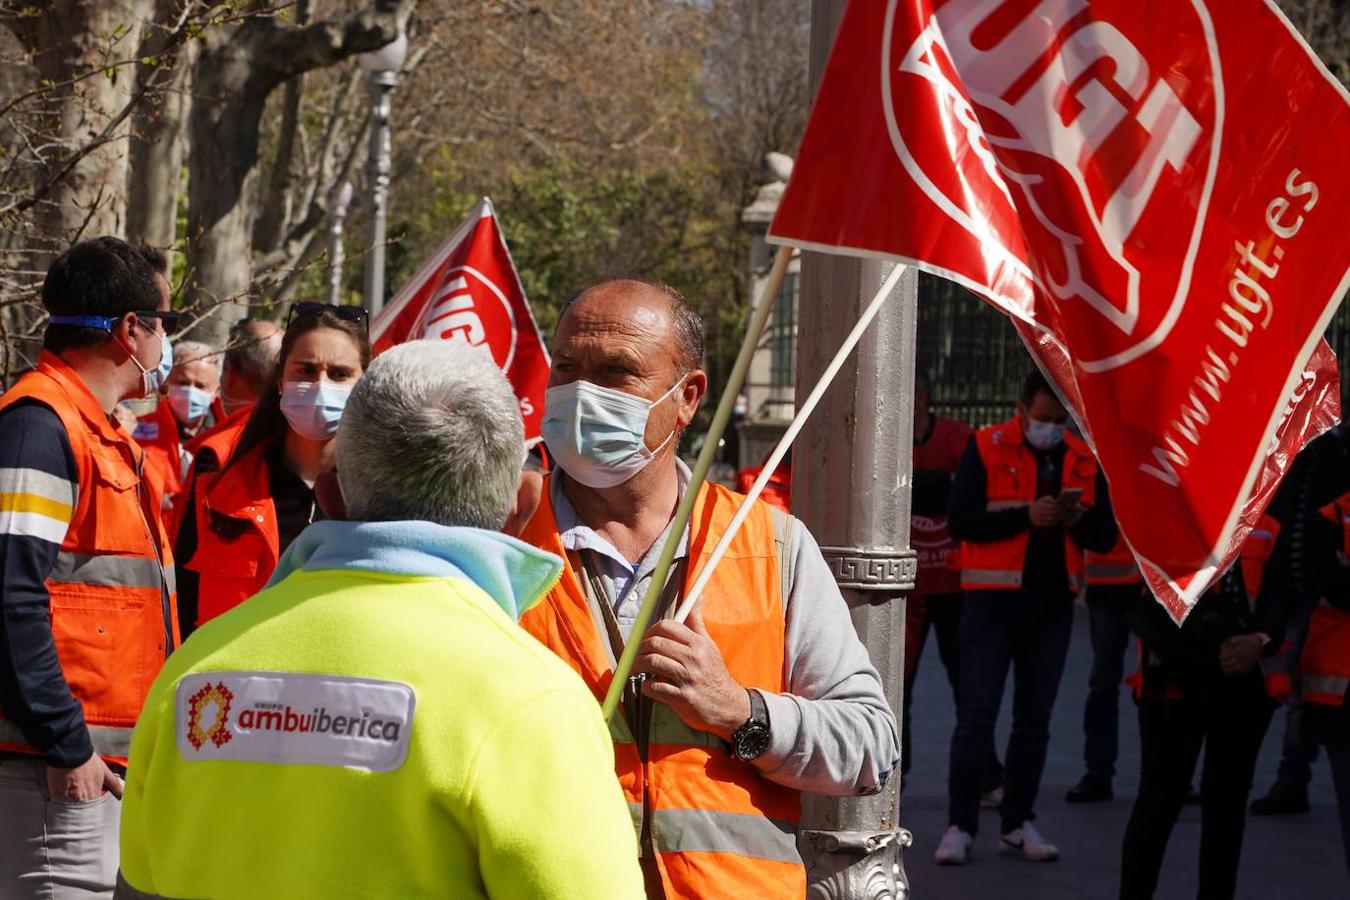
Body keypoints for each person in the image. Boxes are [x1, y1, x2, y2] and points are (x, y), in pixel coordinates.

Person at [116, 340, 644, 900]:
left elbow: (139, 881)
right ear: (521, 505)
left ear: (331, 494)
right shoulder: (534, 700)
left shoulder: (194, 670)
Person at [519, 279, 899, 899]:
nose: (582, 393)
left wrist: (742, 713)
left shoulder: (769, 544)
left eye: (617, 373)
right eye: (567, 367)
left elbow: (870, 749)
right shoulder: (501, 544)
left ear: (688, 396)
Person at [0, 237, 178, 897]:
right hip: (55, 775)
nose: (167, 341)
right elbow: (9, 597)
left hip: (104, 773)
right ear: (131, 329)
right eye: (164, 321)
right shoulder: (39, 427)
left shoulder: (97, 430)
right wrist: (65, 742)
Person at [935, 370, 1115, 865]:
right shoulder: (986, 444)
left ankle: (1018, 823)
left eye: (1059, 421)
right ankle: (960, 825)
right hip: (990, 604)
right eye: (1042, 418)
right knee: (976, 718)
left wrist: (1076, 519)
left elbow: (1104, 537)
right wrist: (1026, 517)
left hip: (1053, 604)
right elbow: (962, 520)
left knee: (1034, 721)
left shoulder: (1080, 457)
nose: (1051, 428)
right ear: (1021, 409)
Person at [174, 302, 367, 639]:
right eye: (306, 370)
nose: (321, 385)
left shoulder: (383, 493)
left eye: (339, 374)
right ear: (280, 380)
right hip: (233, 683)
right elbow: (182, 597)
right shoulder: (220, 475)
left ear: (364, 383)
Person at [1118, 517, 1286, 900]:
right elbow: (1150, 599)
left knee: (1226, 808)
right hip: (1175, 683)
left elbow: (1281, 597)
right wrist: (1221, 646)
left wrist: (1259, 640)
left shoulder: (1268, 526)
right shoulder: (1168, 512)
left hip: (1243, 686)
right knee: (1158, 804)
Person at [903, 369, 1004, 804]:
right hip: (907, 589)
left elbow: (970, 495)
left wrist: (933, 488)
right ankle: (891, 779)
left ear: (921, 400)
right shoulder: (888, 443)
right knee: (894, 688)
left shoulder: (960, 438)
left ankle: (986, 777)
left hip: (954, 583)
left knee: (969, 688)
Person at [1249, 425, 1350, 816]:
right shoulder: (1294, 451)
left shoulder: (1327, 454)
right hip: (1291, 582)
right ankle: (1292, 776)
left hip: (1312, 585)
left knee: (1301, 687)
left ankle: (1293, 777)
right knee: (1293, 685)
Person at [1065, 530, 1145, 803]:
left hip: (1152, 583)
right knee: (1102, 683)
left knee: (1157, 683)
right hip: (1109, 586)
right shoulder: (1098, 483)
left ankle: (1168, 773)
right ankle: (1098, 772)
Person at [136, 341, 222, 537]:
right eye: (183, 383)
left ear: (215, 392)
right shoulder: (136, 434)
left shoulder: (228, 443)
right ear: (167, 383)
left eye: (200, 386)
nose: (191, 391)